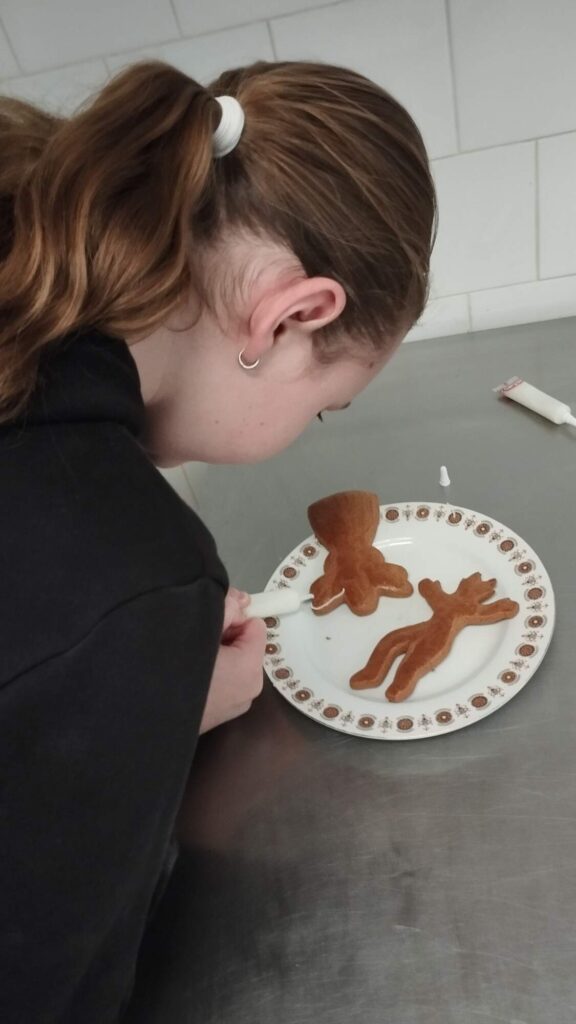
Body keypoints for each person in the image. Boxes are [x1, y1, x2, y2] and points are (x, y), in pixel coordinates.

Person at [0, 59, 436, 1021]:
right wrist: (135, 707)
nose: (312, 426)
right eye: (324, 408)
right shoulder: (136, 579)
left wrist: (132, 707)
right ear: (291, 317)